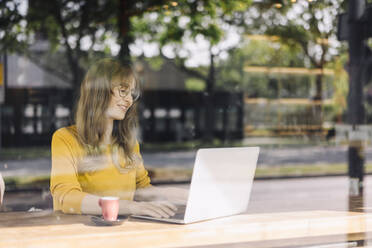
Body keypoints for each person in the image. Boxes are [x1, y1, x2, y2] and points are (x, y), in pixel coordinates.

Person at [50, 59, 187, 218]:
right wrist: (130, 207)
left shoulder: (129, 143)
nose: (129, 100)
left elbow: (141, 190)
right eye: (123, 91)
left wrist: (179, 194)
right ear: (99, 91)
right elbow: (66, 198)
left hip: (120, 231)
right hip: (81, 233)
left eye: (132, 94)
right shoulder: (65, 138)